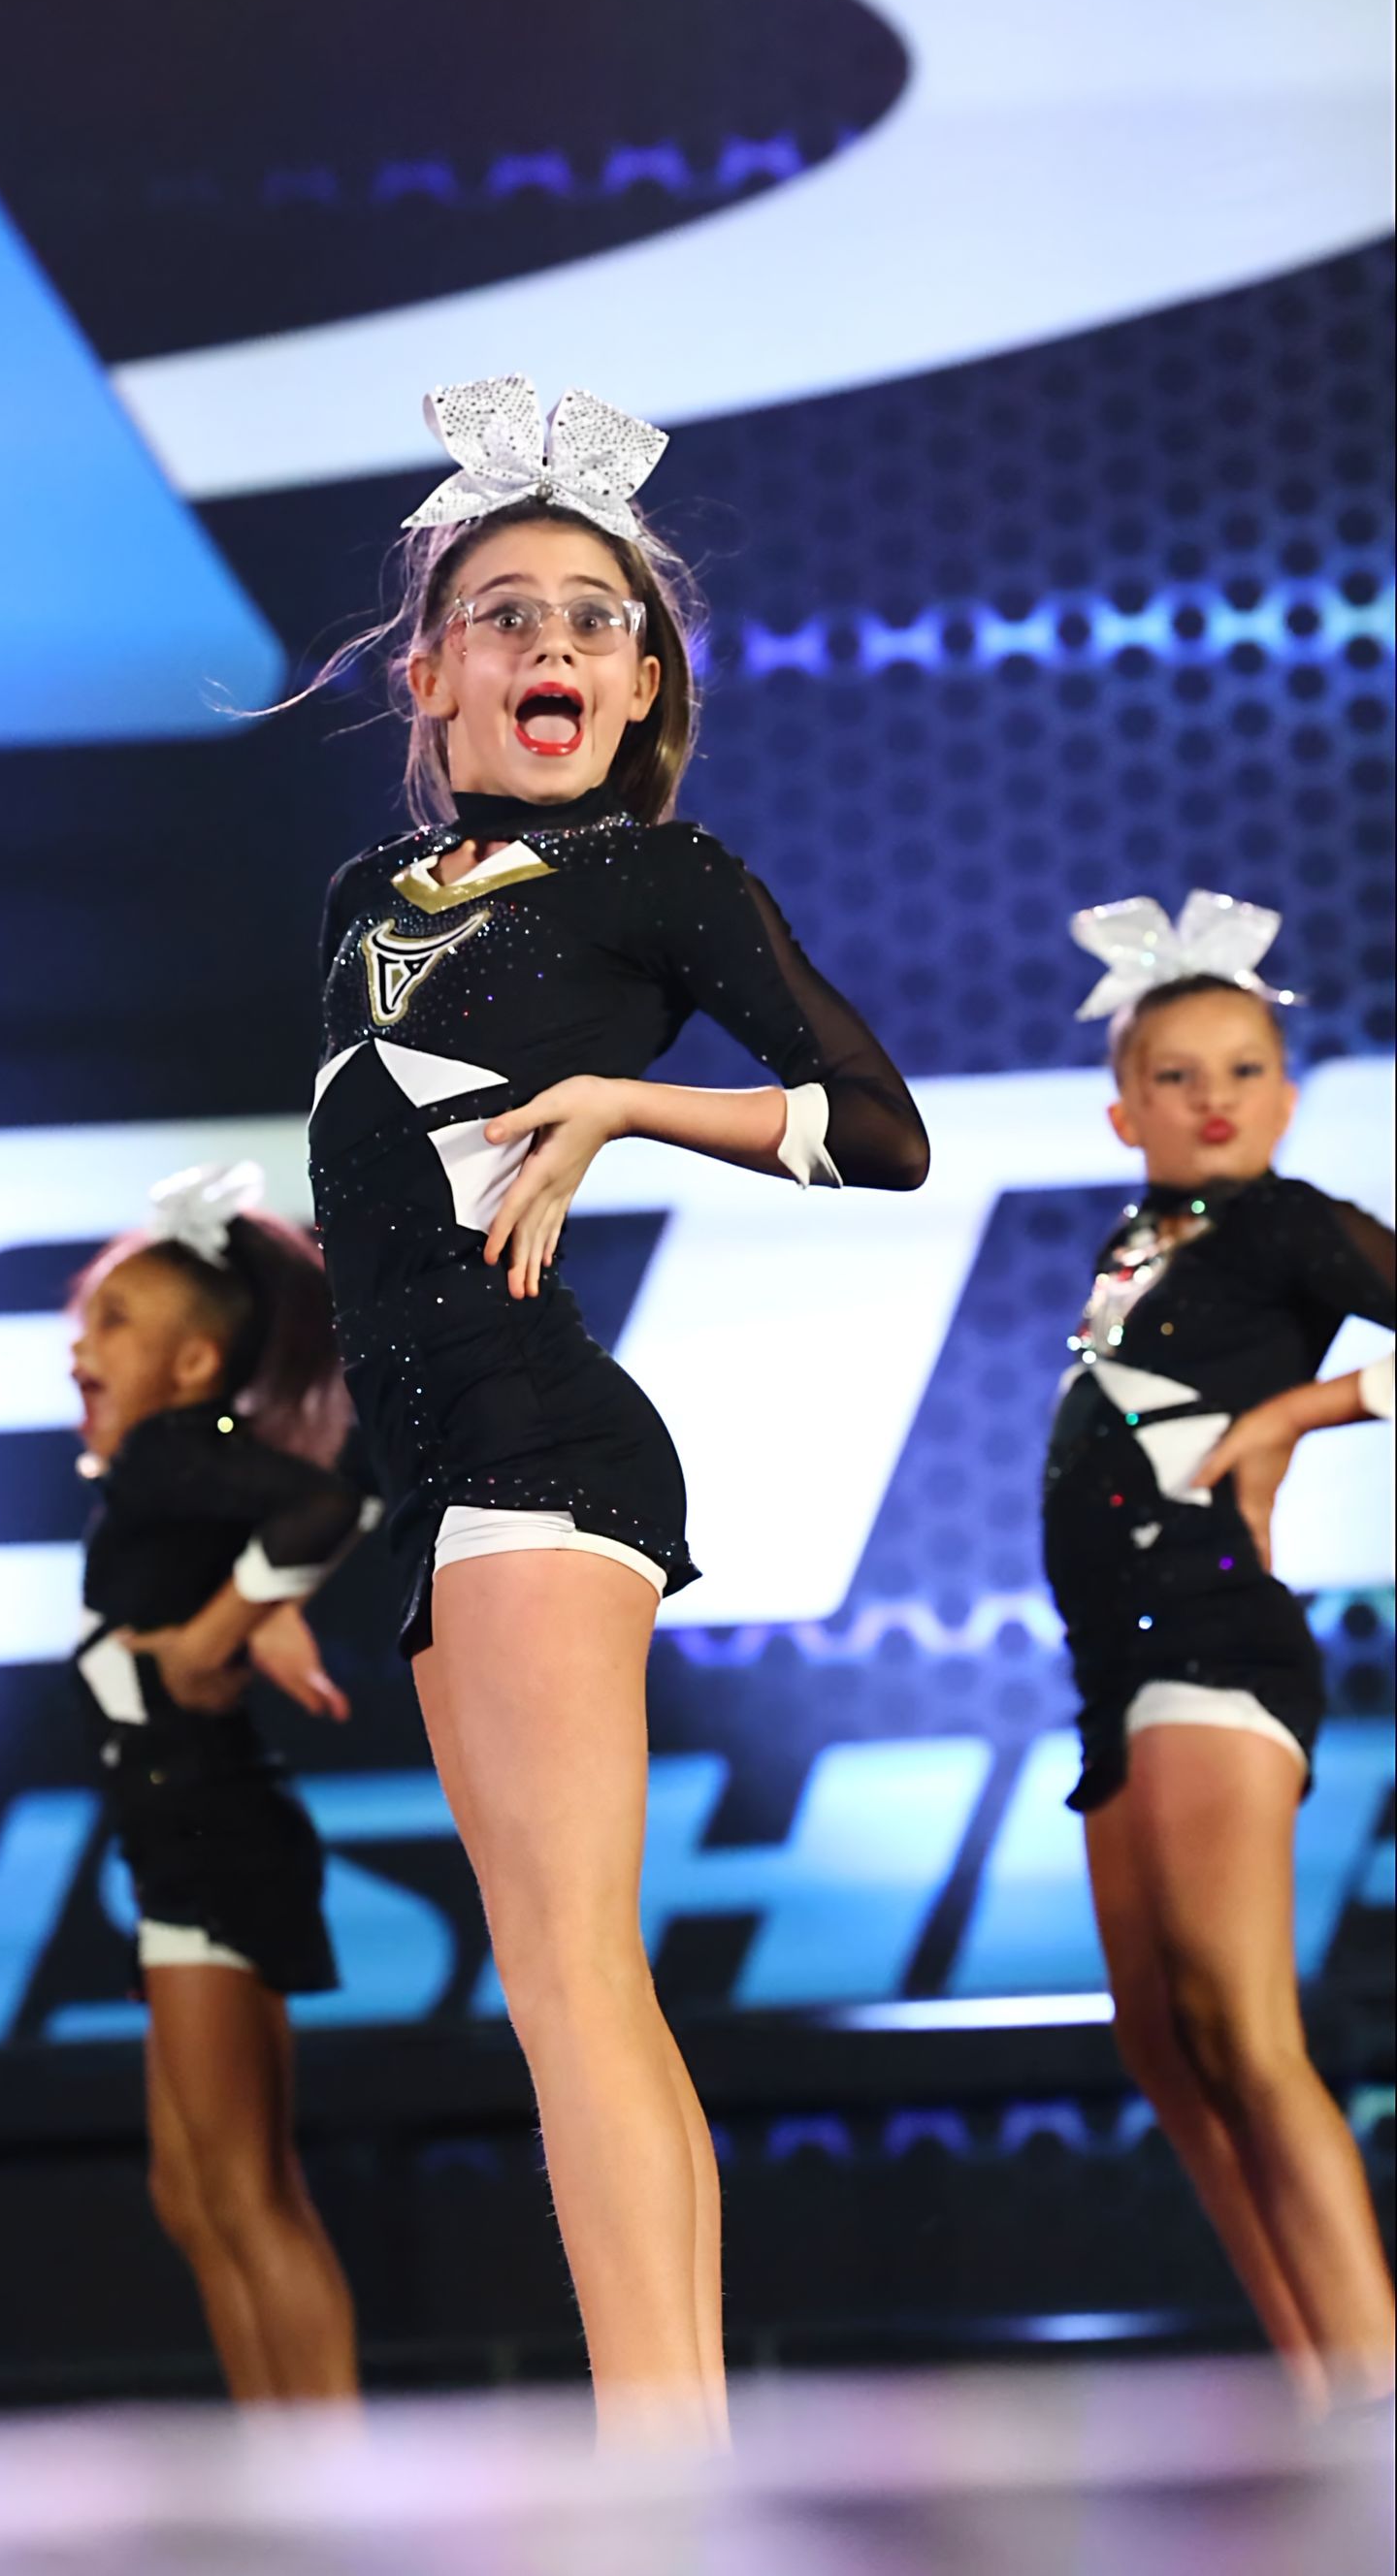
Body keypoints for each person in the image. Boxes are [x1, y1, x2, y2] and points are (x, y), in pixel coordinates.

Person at [305, 376, 929, 2436]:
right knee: (559, 1974)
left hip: (543, 1442)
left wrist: (627, 1095)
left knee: (576, 1970)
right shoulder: (363, 914)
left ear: (642, 674)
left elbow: (881, 1131)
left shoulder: (662, 882)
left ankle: (670, 2477)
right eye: (507, 611)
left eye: (592, 613)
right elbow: (394, 1203)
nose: (552, 640)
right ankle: (667, 2458)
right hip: (436, 1473)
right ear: (433, 668)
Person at [1045, 890, 1396, 2407]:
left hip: (1214, 1636)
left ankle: (1375, 2401)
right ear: (1126, 1106)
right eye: (1179, 1076)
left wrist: (1296, 1414)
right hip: (1121, 1672)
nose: (1214, 1100)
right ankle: (1320, 2390)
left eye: (1243, 1070)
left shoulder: (1289, 1222)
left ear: (1288, 1094)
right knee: (1173, 2055)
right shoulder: (1145, 1237)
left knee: (1247, 2036)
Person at [69, 1162, 366, 2403]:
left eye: (115, 1325)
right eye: (83, 1323)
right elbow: (263, 1539)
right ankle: (280, 2477)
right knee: (195, 2194)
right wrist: (254, 1618)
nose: (79, 1350)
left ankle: (323, 2494)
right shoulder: (180, 1470)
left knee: (243, 2189)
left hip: (207, 1827)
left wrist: (214, 1634)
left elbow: (324, 1506)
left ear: (194, 1367)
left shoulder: (174, 1455)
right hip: (185, 1830)